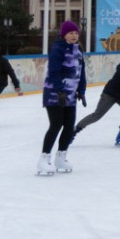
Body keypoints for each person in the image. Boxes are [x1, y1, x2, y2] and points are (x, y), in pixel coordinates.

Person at [39, 20, 86, 176]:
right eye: (70, 33)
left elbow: (81, 72)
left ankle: (61, 156)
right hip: (55, 94)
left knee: (69, 126)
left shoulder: (78, 50)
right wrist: (59, 91)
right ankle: (44, 159)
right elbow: (54, 72)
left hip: (70, 95)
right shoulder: (58, 49)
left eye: (76, 33)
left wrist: (81, 90)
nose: (74, 36)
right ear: (64, 34)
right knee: (56, 124)